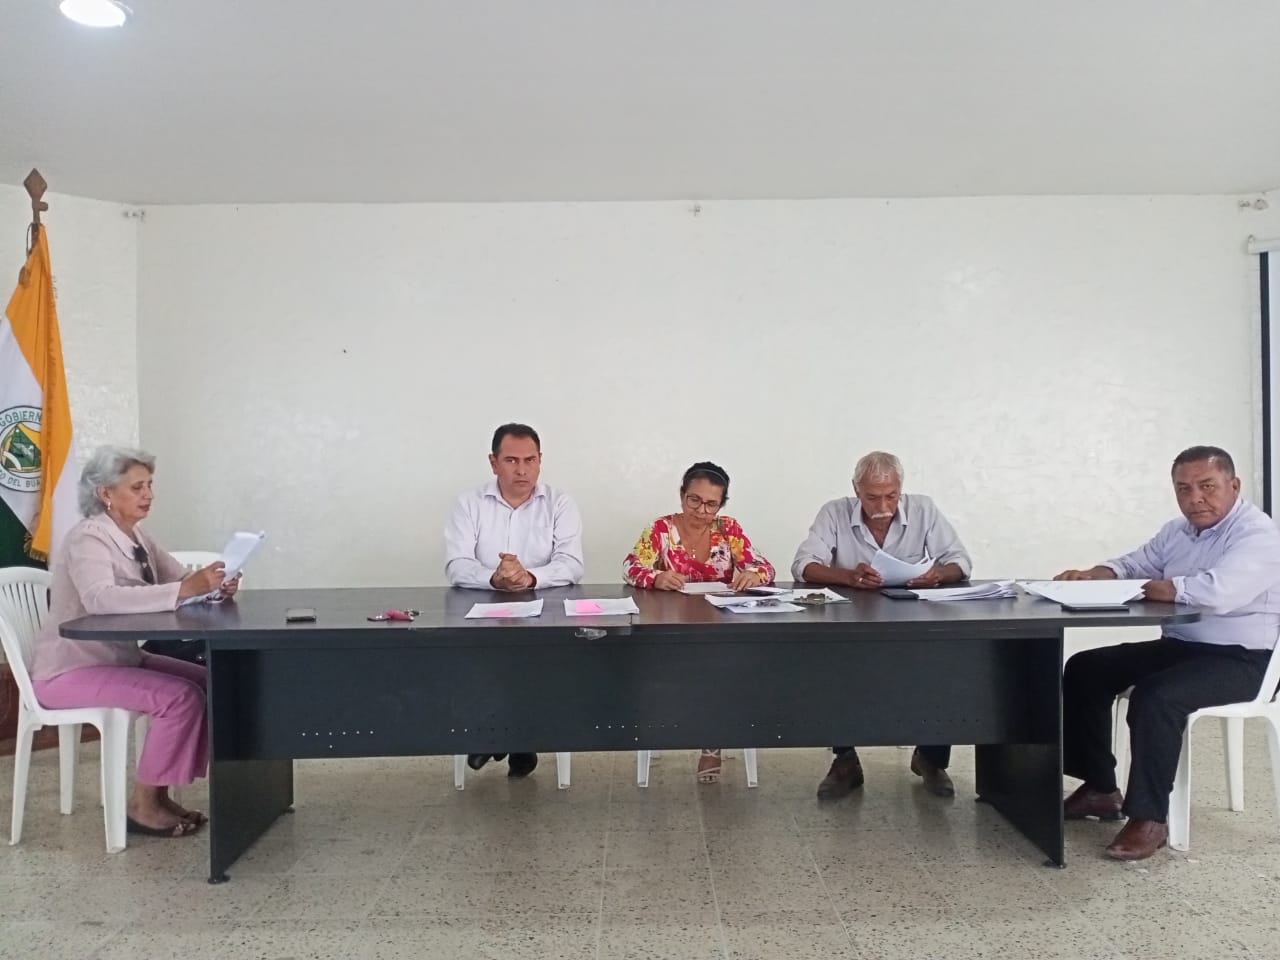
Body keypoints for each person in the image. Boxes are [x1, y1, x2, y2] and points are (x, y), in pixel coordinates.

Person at [1056, 445, 1280, 861]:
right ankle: (1100, 788)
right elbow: (1134, 563)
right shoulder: (1176, 532)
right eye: (1183, 489)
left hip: (1246, 658)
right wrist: (1096, 575)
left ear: (1234, 486)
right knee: (1087, 668)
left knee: (1157, 696)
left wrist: (1150, 587)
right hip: (1182, 646)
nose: (1195, 498)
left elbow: (1217, 593)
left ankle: (1150, 818)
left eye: (1207, 486)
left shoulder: (1259, 535)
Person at [31, 445, 239, 838]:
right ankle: (143, 806)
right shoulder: (88, 539)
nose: (148, 495)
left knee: (211, 682)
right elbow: (100, 598)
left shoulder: (137, 536)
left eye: (149, 485)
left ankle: (161, 795)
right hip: (69, 670)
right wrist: (183, 590)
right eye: (137, 487)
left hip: (118, 658)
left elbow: (181, 581)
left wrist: (215, 586)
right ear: (105, 493)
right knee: (180, 698)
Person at [791, 451, 972, 800]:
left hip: (914, 621)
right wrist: (848, 576)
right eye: (873, 497)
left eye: (891, 496)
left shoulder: (923, 509)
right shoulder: (834, 512)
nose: (884, 506)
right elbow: (803, 565)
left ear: (901, 488)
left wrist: (937, 574)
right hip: (851, 623)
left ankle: (931, 758)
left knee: (945, 660)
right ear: (856, 489)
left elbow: (960, 561)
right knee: (833, 665)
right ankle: (845, 762)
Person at [444, 422, 584, 778]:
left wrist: (529, 577)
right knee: (486, 658)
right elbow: (456, 565)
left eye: (529, 460)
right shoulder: (469, 503)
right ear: (494, 462)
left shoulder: (560, 503)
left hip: (544, 610)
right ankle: (518, 739)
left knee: (534, 657)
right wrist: (494, 577)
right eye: (511, 460)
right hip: (482, 610)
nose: (522, 470)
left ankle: (498, 736)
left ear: (540, 461)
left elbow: (572, 564)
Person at [623, 461, 776, 782]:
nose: (701, 510)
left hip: (718, 627)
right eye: (694, 500)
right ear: (682, 496)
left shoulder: (728, 529)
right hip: (670, 628)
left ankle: (711, 742)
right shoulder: (661, 529)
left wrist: (753, 574)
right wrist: (656, 577)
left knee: (723, 666)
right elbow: (630, 567)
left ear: (721, 505)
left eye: (711, 504)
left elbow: (766, 568)